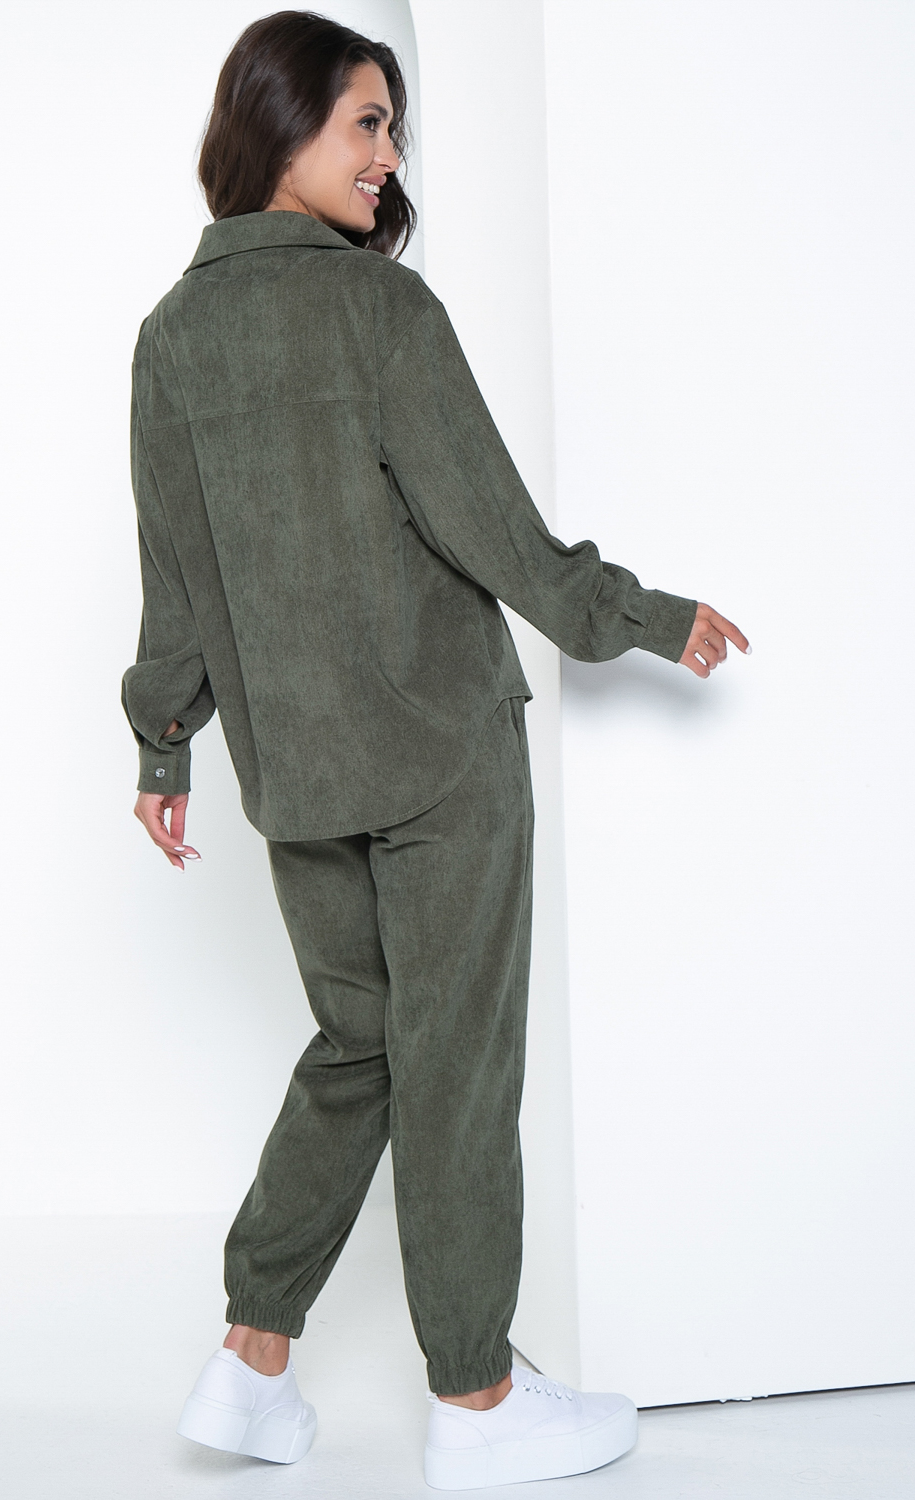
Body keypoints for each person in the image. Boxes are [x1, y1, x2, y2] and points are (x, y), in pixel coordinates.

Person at [122, 10, 749, 1491]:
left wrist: (164, 748)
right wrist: (641, 617)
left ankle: (250, 1361)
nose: (388, 158)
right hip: (439, 756)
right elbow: (494, 531)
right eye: (366, 122)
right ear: (279, 126)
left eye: (391, 128)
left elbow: (176, 574)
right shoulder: (381, 312)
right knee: (454, 1065)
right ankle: (477, 1399)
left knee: (361, 1049)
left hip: (296, 772)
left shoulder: (169, 339)